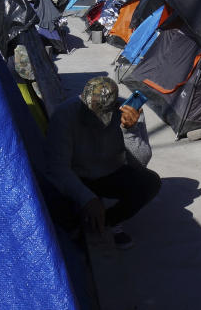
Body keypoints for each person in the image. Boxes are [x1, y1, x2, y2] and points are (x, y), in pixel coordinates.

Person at [45, 76, 161, 249]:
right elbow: (57, 168)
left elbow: (140, 163)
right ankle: (82, 221)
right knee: (48, 198)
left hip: (111, 172)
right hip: (77, 174)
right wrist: (87, 198)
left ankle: (107, 222)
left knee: (150, 182)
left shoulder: (129, 113)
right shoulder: (64, 115)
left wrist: (129, 131)